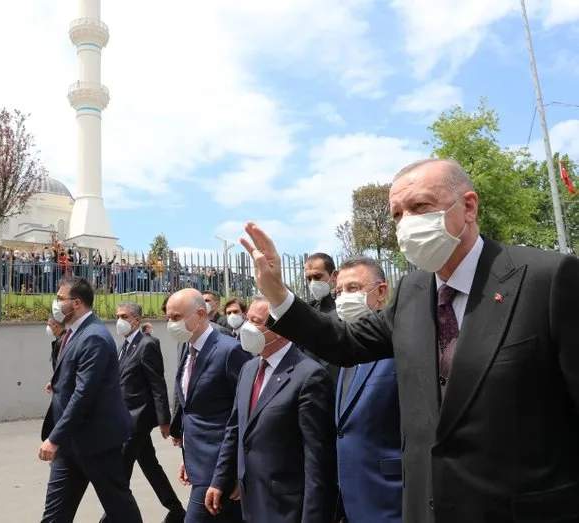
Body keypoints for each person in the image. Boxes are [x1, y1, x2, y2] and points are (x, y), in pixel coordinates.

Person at [242, 157, 579, 523]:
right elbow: (342, 343)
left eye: (420, 207)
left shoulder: (547, 279)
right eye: (398, 214)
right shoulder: (413, 291)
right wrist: (276, 292)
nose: (407, 224)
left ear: (467, 206)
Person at [205, 296, 337, 523]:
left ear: (282, 329)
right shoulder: (249, 368)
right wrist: (220, 480)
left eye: (256, 322)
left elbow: (317, 459)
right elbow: (235, 429)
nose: (247, 327)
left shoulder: (309, 376)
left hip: (287, 506)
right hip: (252, 500)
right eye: (248, 319)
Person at [39, 276, 142, 523]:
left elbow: (85, 394)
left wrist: (54, 438)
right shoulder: (73, 333)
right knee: (55, 513)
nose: (55, 303)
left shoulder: (94, 336)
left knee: (119, 507)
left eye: (59, 298)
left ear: (76, 303)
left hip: (97, 442)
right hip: (70, 442)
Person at [166, 288, 251, 522]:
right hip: (200, 464)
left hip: (221, 468)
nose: (170, 323)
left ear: (201, 314)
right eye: (168, 317)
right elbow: (192, 408)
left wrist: (235, 470)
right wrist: (189, 458)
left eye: (176, 317)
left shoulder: (229, 350)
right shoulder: (187, 346)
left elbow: (243, 414)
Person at [101, 302, 186, 523]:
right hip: (123, 417)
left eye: (124, 316)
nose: (119, 320)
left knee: (120, 472)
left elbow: (156, 384)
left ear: (136, 320)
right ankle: (176, 510)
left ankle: (110, 518)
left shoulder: (147, 344)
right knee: (150, 466)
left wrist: (164, 420)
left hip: (138, 419)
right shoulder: (124, 346)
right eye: (117, 315)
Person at [333, 257, 402, 523]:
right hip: (352, 500)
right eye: (338, 292)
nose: (342, 298)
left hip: (392, 499)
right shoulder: (344, 348)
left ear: (381, 292)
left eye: (353, 288)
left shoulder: (398, 344)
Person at [303, 252, 341, 385]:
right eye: (309, 279)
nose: (313, 283)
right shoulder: (308, 310)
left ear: (334, 275)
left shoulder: (346, 307)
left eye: (318, 276)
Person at [44, 316, 67, 394]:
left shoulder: (63, 342)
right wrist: (52, 381)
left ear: (56, 326)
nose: (47, 328)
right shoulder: (61, 340)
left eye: (49, 325)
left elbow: (63, 366)